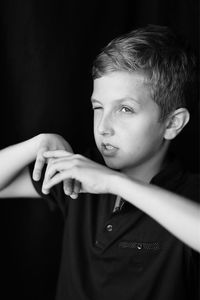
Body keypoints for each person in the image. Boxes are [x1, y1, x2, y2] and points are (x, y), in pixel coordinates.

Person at [0, 25, 199, 300]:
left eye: (125, 109)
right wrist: (37, 143)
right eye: (98, 108)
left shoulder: (189, 194)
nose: (103, 127)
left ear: (172, 123)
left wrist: (115, 183)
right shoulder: (77, 174)